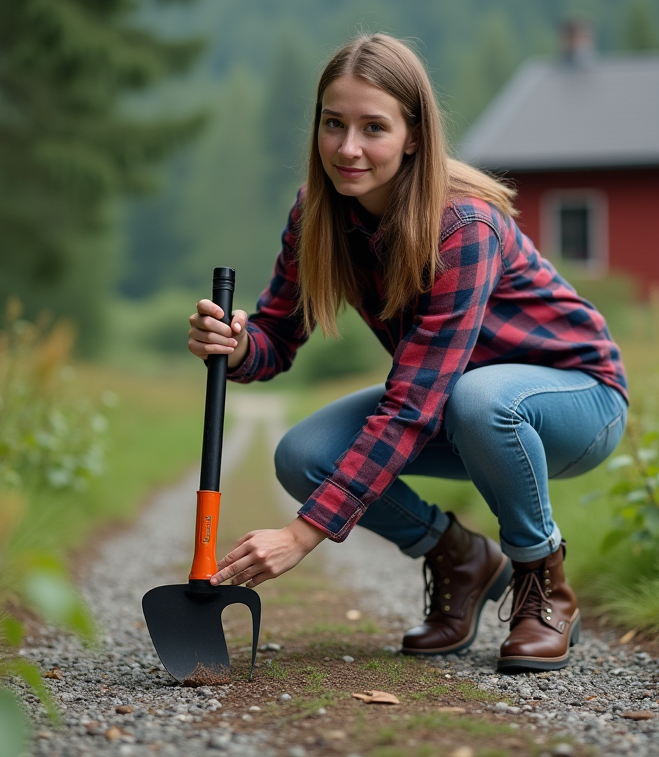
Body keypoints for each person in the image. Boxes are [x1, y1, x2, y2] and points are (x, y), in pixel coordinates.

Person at [187, 33, 627, 673]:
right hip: (459, 406)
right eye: (333, 125)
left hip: (575, 401)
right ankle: (460, 557)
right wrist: (234, 342)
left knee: (479, 399)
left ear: (414, 135)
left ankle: (542, 582)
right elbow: (277, 340)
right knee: (303, 455)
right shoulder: (317, 215)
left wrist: (302, 534)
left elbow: (415, 401)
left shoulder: (463, 226)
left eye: (373, 127)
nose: (348, 148)